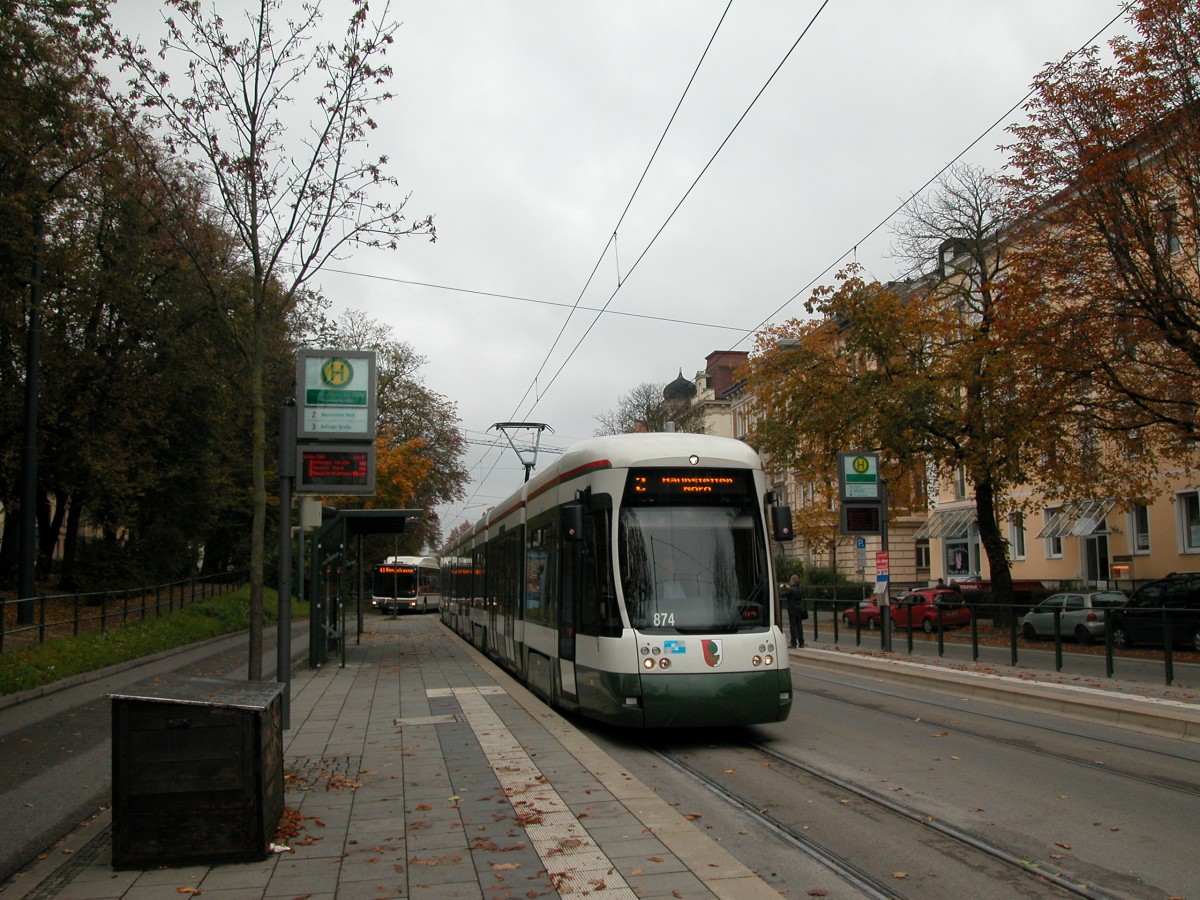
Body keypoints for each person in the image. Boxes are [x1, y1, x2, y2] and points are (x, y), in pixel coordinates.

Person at [784, 574, 807, 648]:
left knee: (793, 626)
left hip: (792, 609)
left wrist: (781, 588)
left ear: (792, 581)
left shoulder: (790, 590)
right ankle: (801, 642)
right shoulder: (800, 589)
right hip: (799, 609)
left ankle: (793, 642)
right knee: (799, 625)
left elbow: (782, 594)